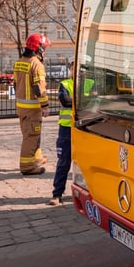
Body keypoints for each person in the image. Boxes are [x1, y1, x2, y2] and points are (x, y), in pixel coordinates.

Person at [13, 33, 51, 175]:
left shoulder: (19, 62)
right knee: (31, 136)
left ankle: (37, 158)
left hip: (22, 107)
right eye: (44, 48)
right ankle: (27, 167)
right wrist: (45, 106)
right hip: (32, 109)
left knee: (30, 133)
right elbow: (38, 87)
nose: (45, 51)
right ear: (39, 48)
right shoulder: (36, 64)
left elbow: (16, 84)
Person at [50, 61, 76, 205]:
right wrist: (83, 100)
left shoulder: (90, 83)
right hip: (66, 128)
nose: (74, 71)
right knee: (64, 162)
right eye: (72, 68)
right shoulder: (65, 84)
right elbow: (65, 101)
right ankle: (57, 194)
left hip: (86, 128)